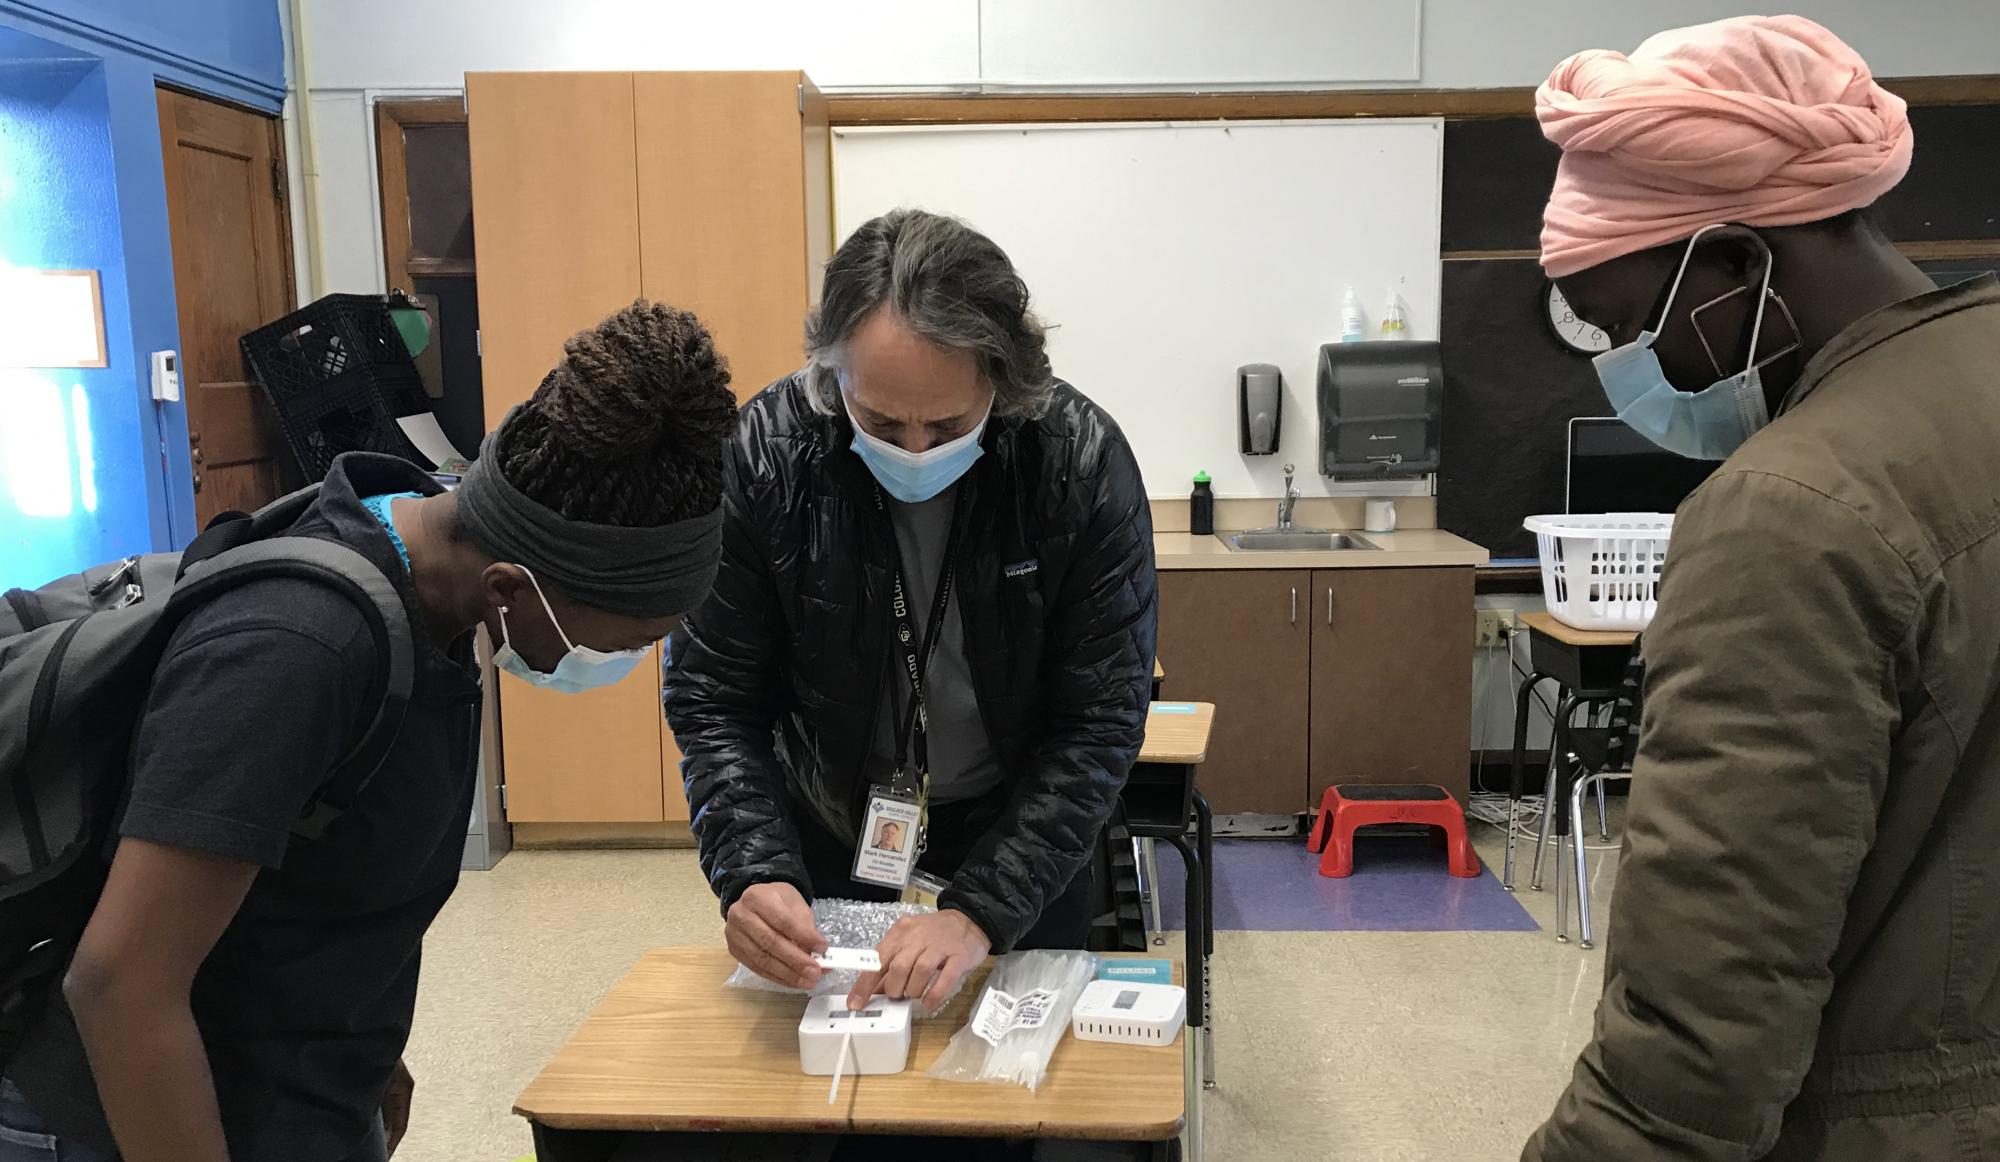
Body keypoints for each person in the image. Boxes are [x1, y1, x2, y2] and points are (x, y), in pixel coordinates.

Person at [0, 301, 737, 1162]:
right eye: (628, 640)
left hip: (289, 1096)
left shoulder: (430, 588)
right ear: (511, 587)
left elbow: (332, 883)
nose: (627, 662)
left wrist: (368, 1064)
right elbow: (122, 985)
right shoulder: (294, 650)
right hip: (133, 1119)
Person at [1523, 16, 2000, 1161]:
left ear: (1736, 263)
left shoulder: (1788, 510)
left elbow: (1699, 1029)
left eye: (1629, 324)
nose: (1630, 369)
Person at [667, 209, 1158, 1014]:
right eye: (883, 422)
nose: (917, 452)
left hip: (1023, 824)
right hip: (835, 819)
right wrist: (753, 867)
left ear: (1005, 382)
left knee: (1019, 1093)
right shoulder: (764, 458)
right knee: (837, 1086)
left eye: (950, 424)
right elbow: (714, 696)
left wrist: (981, 911)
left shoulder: (1078, 463)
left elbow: (1099, 722)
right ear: (832, 376)